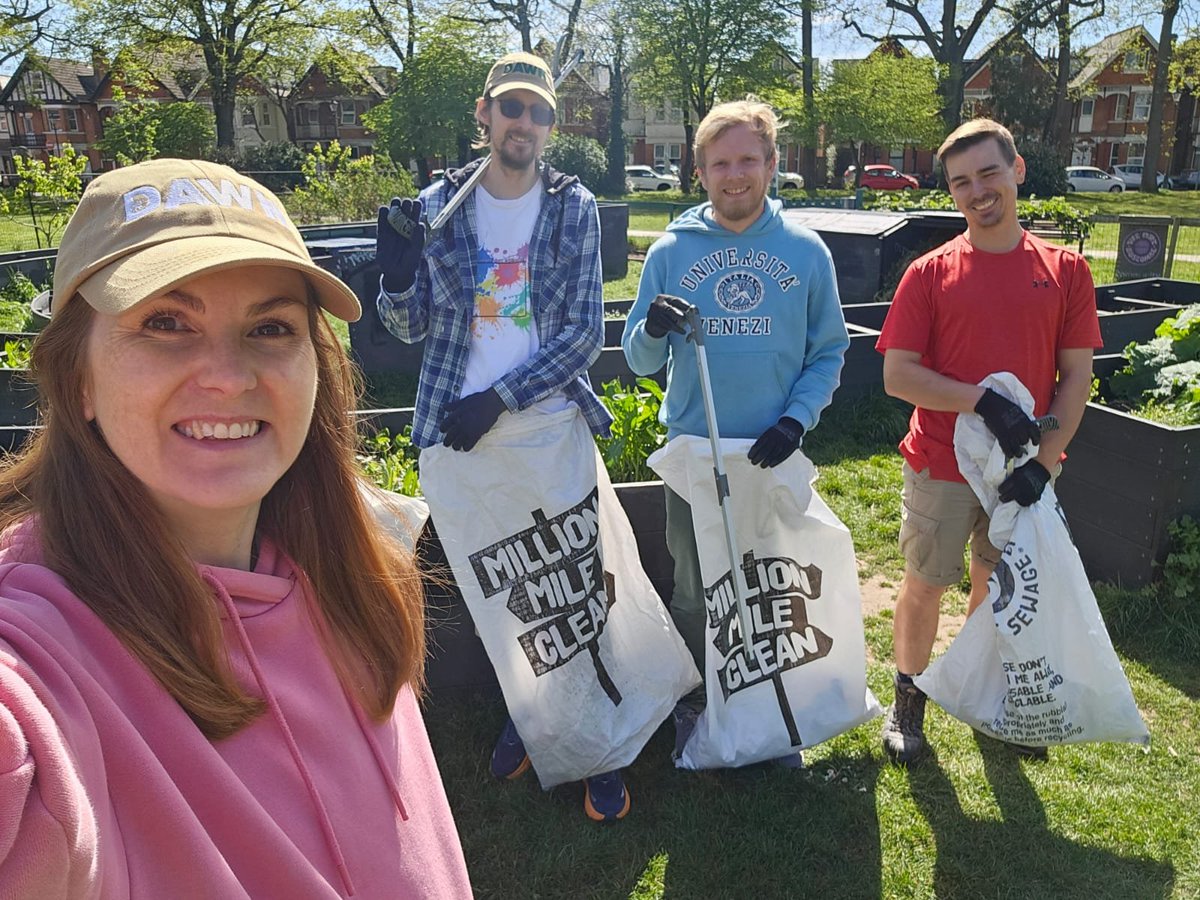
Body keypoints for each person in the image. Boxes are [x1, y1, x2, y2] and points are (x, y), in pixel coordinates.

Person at [0, 159, 472, 897]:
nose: (227, 373)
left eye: (270, 326)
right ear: (78, 378)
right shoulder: (40, 659)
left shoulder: (356, 564)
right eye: (165, 322)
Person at [375, 53, 630, 821]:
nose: (524, 124)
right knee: (505, 589)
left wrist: (503, 396)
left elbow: (585, 333)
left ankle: (602, 741)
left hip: (546, 426)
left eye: (539, 113)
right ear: (485, 113)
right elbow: (409, 325)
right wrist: (393, 274)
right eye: (511, 108)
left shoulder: (571, 205)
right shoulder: (438, 206)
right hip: (459, 434)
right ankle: (530, 717)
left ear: (551, 126)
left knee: (575, 586)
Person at [621, 99, 850, 766]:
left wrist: (795, 419)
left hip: (769, 452)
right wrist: (652, 327)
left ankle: (771, 702)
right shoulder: (671, 251)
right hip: (695, 453)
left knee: (773, 585)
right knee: (697, 589)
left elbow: (827, 352)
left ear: (773, 164)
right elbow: (638, 359)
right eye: (720, 163)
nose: (736, 174)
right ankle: (700, 698)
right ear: (699, 173)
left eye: (749, 159)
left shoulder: (804, 252)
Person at [875, 118, 1102, 765]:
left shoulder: (1066, 271)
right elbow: (899, 374)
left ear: (1018, 170)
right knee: (925, 583)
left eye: (989, 174)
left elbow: (1077, 374)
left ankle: (979, 695)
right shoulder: (929, 273)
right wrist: (982, 401)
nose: (978, 192)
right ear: (951, 192)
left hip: (1019, 471)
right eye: (961, 182)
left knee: (994, 585)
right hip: (942, 465)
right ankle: (908, 699)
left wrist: (1047, 462)